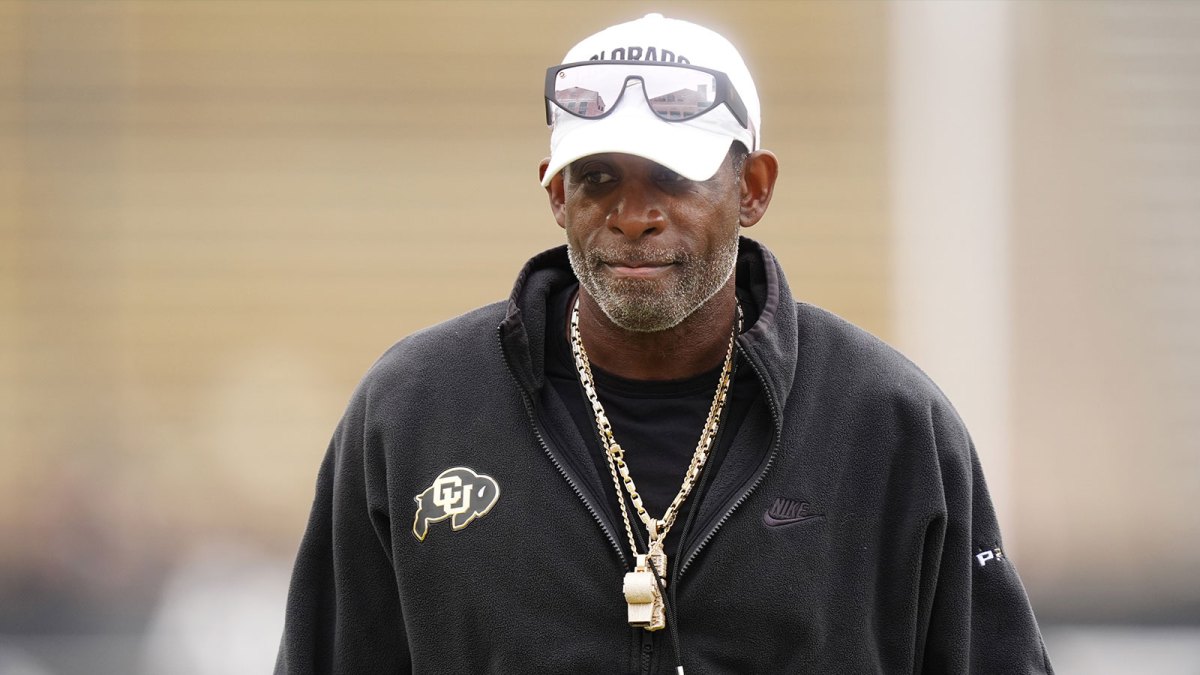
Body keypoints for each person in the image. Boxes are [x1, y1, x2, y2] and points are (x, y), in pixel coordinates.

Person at [275, 13, 1053, 674]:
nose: (635, 214)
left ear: (753, 189)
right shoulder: (413, 411)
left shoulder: (888, 423)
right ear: (556, 193)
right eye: (600, 178)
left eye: (674, 179)